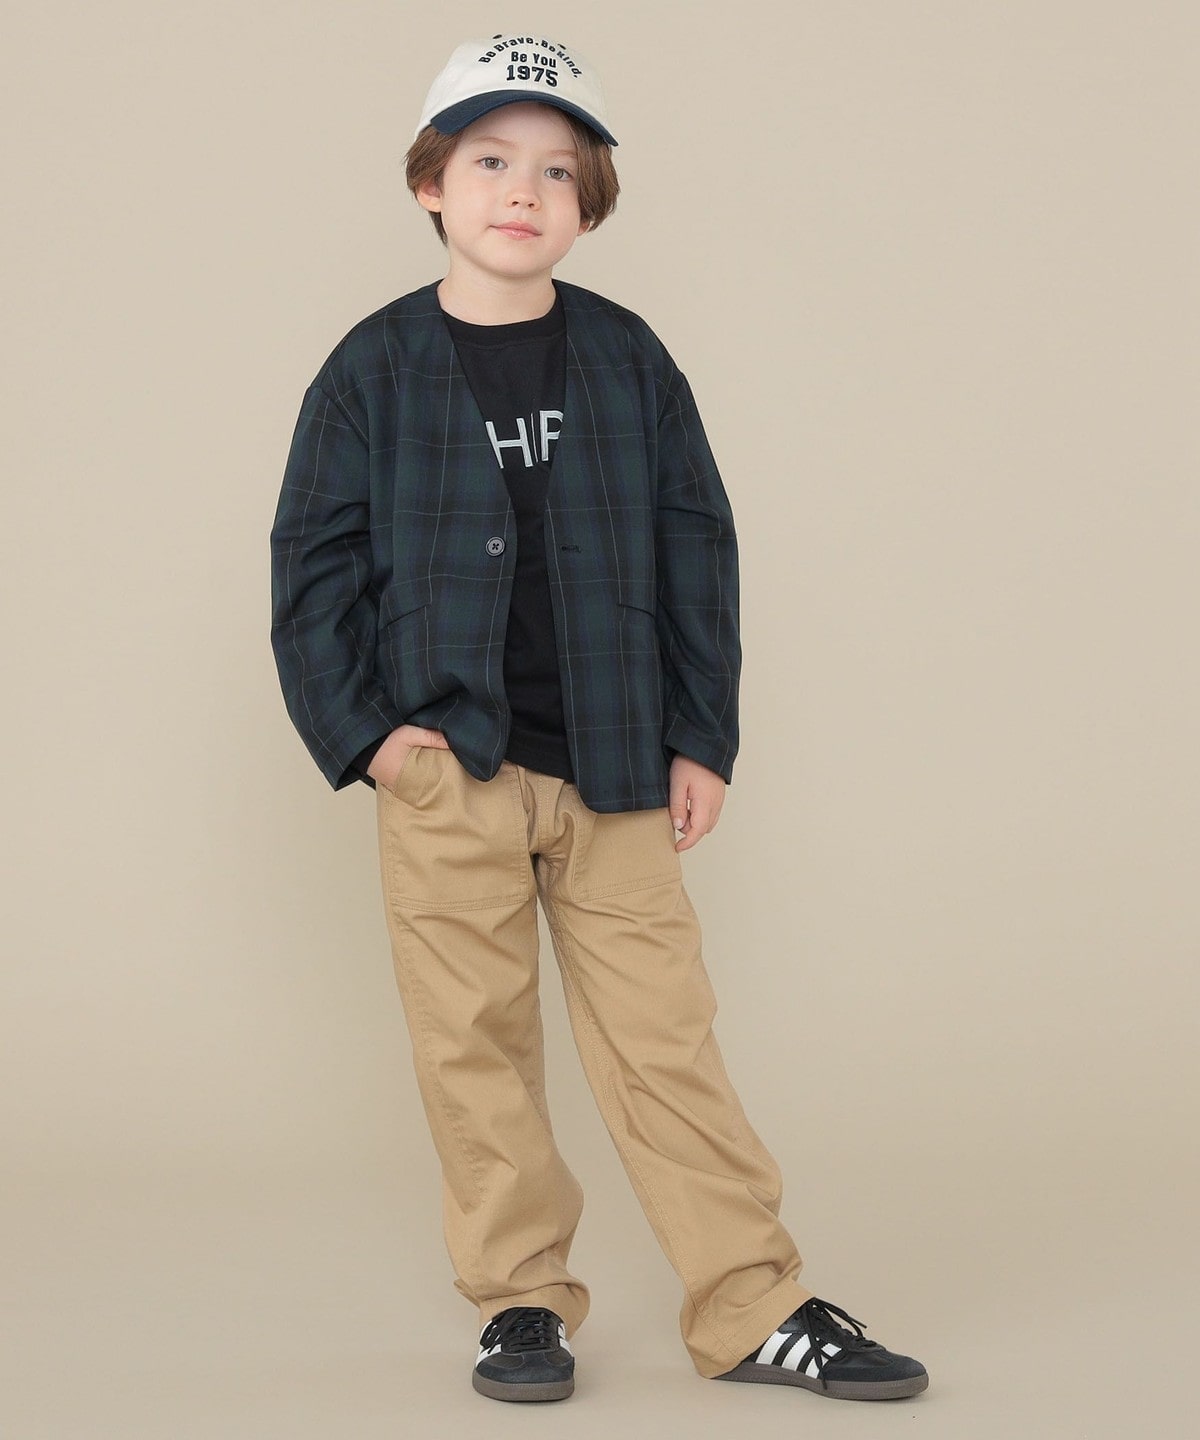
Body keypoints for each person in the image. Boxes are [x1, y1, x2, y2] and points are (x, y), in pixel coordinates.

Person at [270, 33, 928, 1406]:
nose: (524, 190)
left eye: (558, 170)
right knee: (475, 1049)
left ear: (590, 203)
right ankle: (520, 1302)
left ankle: (753, 1306)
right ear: (431, 184)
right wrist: (370, 738)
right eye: (491, 160)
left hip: (619, 766)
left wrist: (703, 737)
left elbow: (698, 548)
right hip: (449, 772)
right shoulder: (371, 371)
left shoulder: (629, 361)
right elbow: (312, 566)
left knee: (665, 1042)